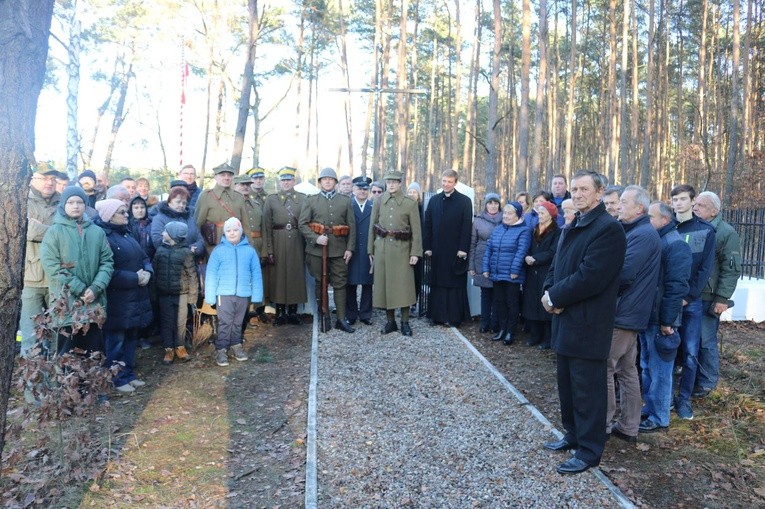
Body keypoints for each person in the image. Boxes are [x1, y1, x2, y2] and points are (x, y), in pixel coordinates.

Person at [541, 170, 626, 475]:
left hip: (588, 322)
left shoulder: (608, 229)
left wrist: (556, 298)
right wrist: (548, 293)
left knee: (588, 390)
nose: (576, 194)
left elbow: (590, 277)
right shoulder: (573, 223)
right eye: (574, 189)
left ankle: (589, 450)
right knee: (567, 385)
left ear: (599, 193)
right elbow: (557, 266)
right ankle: (573, 435)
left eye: (583, 189)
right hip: (565, 320)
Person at [605, 186, 661, 443]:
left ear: (640, 208)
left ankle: (602, 424)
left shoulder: (642, 234)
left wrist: (600, 288)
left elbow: (625, 273)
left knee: (605, 367)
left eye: (623, 202)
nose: (618, 206)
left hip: (624, 313)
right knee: (627, 370)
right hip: (630, 312)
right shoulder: (638, 231)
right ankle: (628, 426)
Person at [40, 186, 114, 356]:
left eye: (80, 202)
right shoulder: (54, 232)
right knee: (68, 352)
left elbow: (107, 262)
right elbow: (52, 265)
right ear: (63, 205)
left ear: (85, 205)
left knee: (93, 351)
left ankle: (91, 383)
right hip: (67, 303)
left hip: (93, 303)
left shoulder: (97, 232)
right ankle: (67, 383)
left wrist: (95, 288)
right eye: (71, 202)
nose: (75, 206)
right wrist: (79, 288)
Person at [639, 201, 692, 433]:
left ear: (664, 220)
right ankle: (649, 409)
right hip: (648, 316)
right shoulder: (658, 240)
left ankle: (660, 416)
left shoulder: (676, 245)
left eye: (650, 216)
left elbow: (675, 286)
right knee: (646, 367)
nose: (646, 220)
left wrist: (667, 321)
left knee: (660, 371)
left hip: (661, 320)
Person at [94, 199, 153, 393]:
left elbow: (144, 257)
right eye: (122, 212)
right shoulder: (103, 237)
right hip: (118, 299)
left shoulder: (127, 233)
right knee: (116, 341)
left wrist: (148, 271)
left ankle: (128, 374)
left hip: (135, 297)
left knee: (130, 338)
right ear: (110, 215)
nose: (127, 215)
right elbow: (106, 271)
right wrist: (133, 278)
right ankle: (116, 378)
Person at [671, 184, 715, 420]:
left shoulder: (706, 230)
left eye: (682, 199)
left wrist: (688, 297)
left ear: (692, 201)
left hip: (692, 303)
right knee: (664, 351)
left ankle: (684, 399)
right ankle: (665, 399)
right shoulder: (666, 228)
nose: (678, 203)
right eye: (675, 199)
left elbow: (705, 269)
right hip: (668, 300)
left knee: (690, 352)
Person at [692, 191, 741, 397]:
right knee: (690, 340)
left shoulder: (725, 232)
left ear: (714, 210)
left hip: (709, 297)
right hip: (692, 293)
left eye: (700, 205)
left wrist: (722, 298)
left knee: (705, 340)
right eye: (695, 204)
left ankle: (708, 381)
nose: (695, 208)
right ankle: (693, 375)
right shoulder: (693, 227)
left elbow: (731, 268)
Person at [298, 167, 356, 333]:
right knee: (320, 282)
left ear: (335, 182)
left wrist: (350, 249)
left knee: (340, 283)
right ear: (320, 182)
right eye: (324, 179)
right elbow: (302, 224)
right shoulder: (311, 200)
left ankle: (341, 319)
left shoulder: (345, 201)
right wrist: (315, 238)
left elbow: (352, 226)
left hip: (339, 249)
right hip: (316, 251)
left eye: (331, 179)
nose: (328, 182)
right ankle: (324, 315)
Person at [368, 170, 422, 336]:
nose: (391, 184)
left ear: (400, 183)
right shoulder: (379, 201)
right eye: (388, 181)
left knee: (404, 287)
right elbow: (372, 226)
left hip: (402, 249)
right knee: (385, 286)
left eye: (394, 182)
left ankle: (405, 322)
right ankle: (390, 321)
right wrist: (371, 249)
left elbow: (417, 231)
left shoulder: (409, 203)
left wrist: (415, 252)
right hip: (382, 248)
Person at [205, 217, 263, 366]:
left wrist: (257, 295)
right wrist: (210, 296)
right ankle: (221, 349)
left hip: (243, 294)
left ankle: (236, 345)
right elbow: (211, 274)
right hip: (224, 294)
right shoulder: (218, 251)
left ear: (241, 232)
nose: (232, 233)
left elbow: (256, 274)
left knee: (238, 322)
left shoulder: (249, 251)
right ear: (224, 233)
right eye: (228, 230)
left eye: (235, 230)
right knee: (225, 323)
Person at [19, 163, 60, 356]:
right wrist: (55, 230)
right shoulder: (21, 200)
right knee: (30, 336)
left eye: (53, 179)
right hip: (30, 279)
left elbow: (69, 232)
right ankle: (31, 386)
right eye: (45, 178)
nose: (50, 182)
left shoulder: (65, 202)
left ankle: (56, 384)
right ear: (33, 180)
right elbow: (29, 229)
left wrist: (40, 228)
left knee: (58, 335)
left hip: (57, 278)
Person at [423, 169, 472, 327]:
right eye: (444, 181)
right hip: (437, 250)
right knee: (437, 283)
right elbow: (428, 224)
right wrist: (427, 246)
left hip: (455, 250)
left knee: (454, 284)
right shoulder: (434, 200)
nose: (446, 184)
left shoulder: (464, 201)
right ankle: (437, 316)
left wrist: (463, 248)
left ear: (455, 183)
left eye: (449, 182)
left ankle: (454, 317)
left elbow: (466, 226)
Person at [481, 201, 532, 345]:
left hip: (512, 275)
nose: (506, 216)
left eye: (510, 213)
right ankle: (502, 330)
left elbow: (521, 251)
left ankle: (510, 332)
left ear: (518, 215)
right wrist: (486, 268)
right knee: (499, 303)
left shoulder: (524, 230)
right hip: (497, 273)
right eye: (505, 213)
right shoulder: (498, 229)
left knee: (512, 303)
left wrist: (515, 270)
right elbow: (489, 249)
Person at [263, 166, 308, 325]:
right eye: (283, 180)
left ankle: (293, 312)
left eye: (289, 179)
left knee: (295, 276)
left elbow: (307, 222)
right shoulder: (271, 199)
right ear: (279, 181)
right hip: (277, 241)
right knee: (279, 277)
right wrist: (269, 250)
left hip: (297, 241)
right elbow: (266, 226)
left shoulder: (303, 198)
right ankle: (280, 313)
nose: (286, 182)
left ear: (294, 181)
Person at [154, 221, 199, 365]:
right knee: (166, 322)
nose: (162, 234)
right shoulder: (160, 251)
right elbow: (155, 273)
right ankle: (169, 348)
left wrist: (192, 297)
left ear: (172, 235)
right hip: (164, 294)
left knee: (180, 322)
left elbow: (192, 275)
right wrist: (154, 294)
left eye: (165, 231)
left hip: (182, 294)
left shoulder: (186, 253)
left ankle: (180, 346)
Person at [522, 201, 561, 349]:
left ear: (551, 215)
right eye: (539, 212)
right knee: (531, 304)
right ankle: (535, 335)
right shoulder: (534, 230)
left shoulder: (556, 232)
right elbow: (527, 246)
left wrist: (536, 259)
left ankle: (547, 338)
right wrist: (526, 256)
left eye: (543, 213)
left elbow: (553, 252)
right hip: (532, 272)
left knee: (545, 306)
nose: (540, 215)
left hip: (545, 271)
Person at [234, 173, 269, 325]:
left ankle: (257, 310)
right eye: (242, 184)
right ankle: (243, 313)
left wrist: (265, 251)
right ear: (235, 186)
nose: (245, 187)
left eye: (248, 184)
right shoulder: (233, 205)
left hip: (258, 244)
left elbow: (264, 228)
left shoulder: (256, 204)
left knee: (257, 278)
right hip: (241, 245)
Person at [194, 163, 249, 255]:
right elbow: (198, 223)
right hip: (214, 244)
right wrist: (199, 247)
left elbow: (245, 224)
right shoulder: (206, 196)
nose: (226, 178)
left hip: (237, 244)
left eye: (229, 175)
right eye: (222, 175)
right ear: (215, 177)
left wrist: (249, 244)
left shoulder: (239, 197)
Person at [469, 193, 503, 334]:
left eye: (496, 203)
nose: (493, 206)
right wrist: (471, 265)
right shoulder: (478, 220)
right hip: (481, 258)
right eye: (490, 203)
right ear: (486, 205)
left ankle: (495, 323)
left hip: (500, 259)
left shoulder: (505, 218)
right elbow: (472, 243)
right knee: (485, 293)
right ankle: (484, 322)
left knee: (498, 293)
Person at [346, 176, 374, 326]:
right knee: (350, 282)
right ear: (353, 189)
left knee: (367, 283)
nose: (363, 191)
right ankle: (351, 313)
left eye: (365, 189)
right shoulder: (348, 205)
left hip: (368, 250)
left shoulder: (373, 206)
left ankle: (365, 314)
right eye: (360, 188)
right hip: (352, 249)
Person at [151, 185, 205, 258]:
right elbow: (158, 241)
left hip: (190, 262)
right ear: (169, 202)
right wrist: (187, 250)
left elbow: (200, 241)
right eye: (178, 202)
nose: (181, 205)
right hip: (168, 263)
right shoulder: (159, 219)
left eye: (184, 203)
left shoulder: (190, 219)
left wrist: (195, 249)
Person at [407, 181, 425, 312]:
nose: (412, 194)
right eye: (410, 192)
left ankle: (414, 303)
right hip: (404, 246)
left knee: (416, 276)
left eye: (414, 192)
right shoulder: (403, 207)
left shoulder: (422, 208)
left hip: (418, 246)